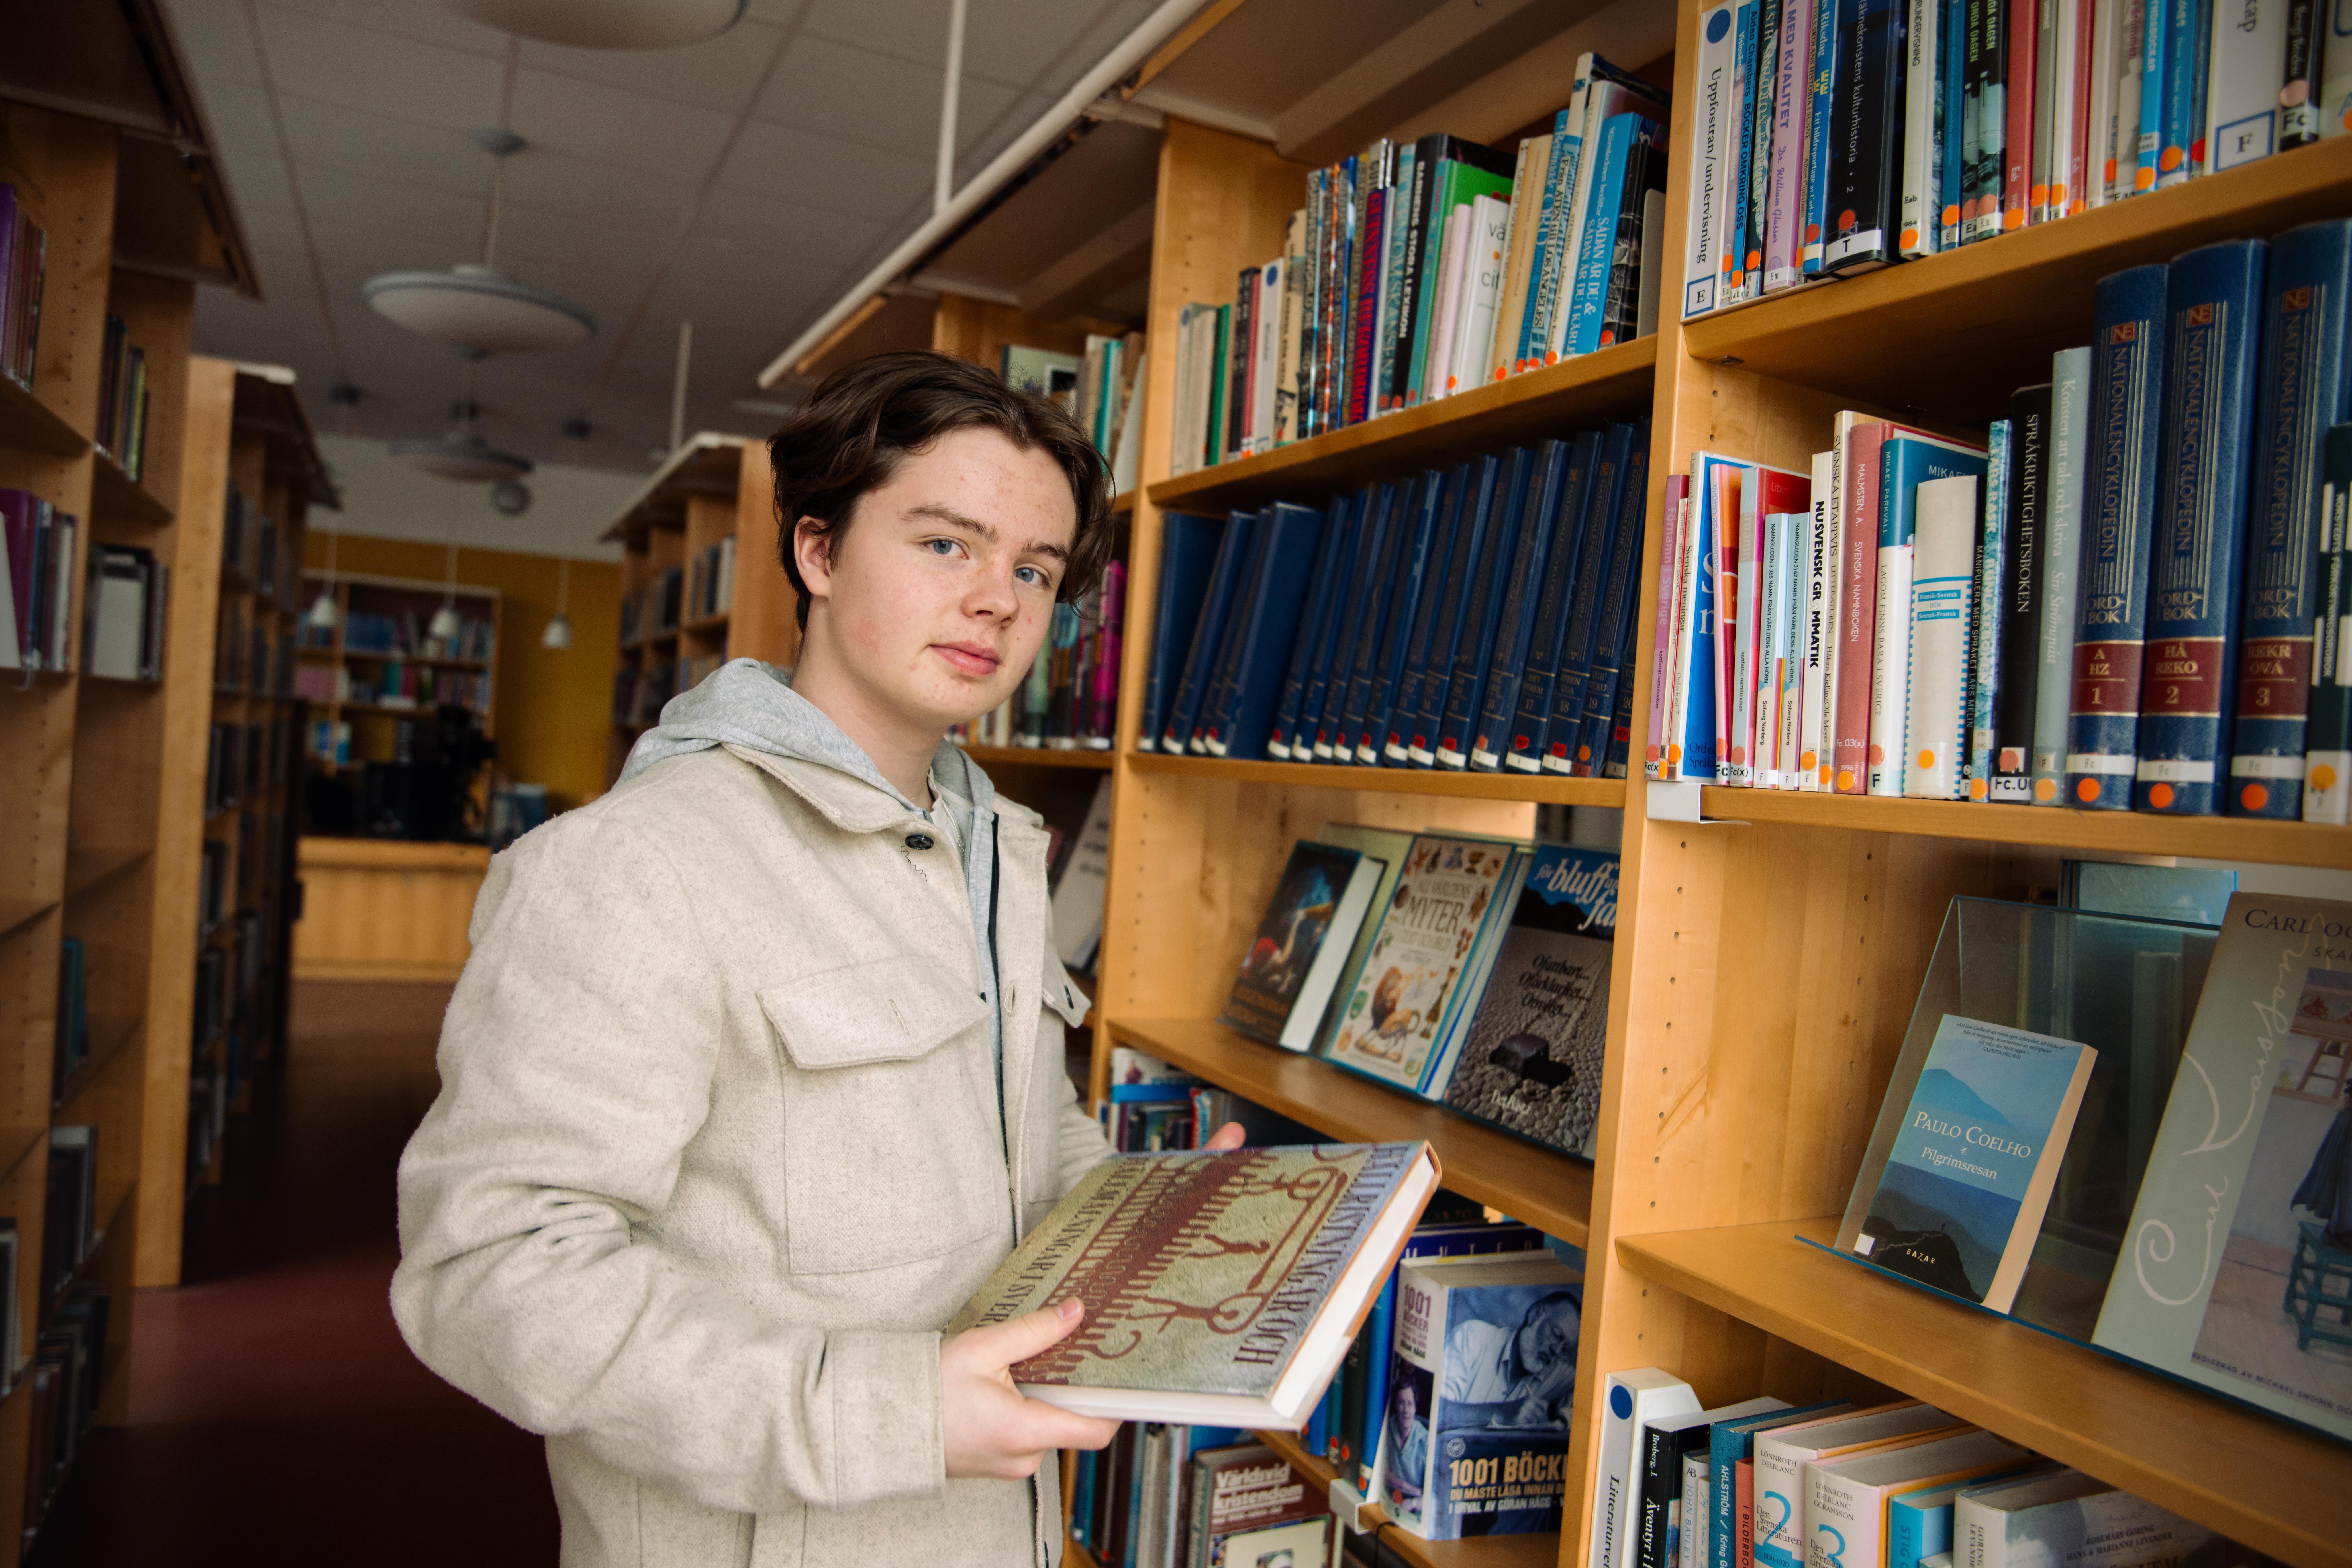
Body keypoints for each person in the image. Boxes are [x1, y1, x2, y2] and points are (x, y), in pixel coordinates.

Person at [391, 351, 1241, 1568]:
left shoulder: (995, 845)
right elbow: (494, 1269)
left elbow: (1016, 1127)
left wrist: (1155, 1223)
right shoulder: (634, 863)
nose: (996, 600)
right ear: (819, 552)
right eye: (945, 544)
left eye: (1034, 569)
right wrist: (886, 1414)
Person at [1438, 1289, 1581, 1429]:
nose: (1557, 1351)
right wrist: (1501, 1413)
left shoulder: (1557, 1374)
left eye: (1565, 1349)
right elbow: (1435, 1410)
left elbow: (1587, 1382)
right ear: (1536, 1315)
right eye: (1557, 1335)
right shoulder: (1473, 1337)